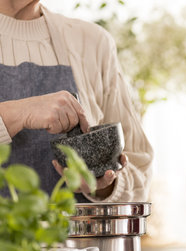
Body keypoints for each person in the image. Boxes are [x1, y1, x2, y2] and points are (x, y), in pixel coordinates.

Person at [0, 1, 153, 202]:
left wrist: (105, 187)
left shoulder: (93, 43)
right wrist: (15, 115)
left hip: (76, 234)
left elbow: (139, 170)